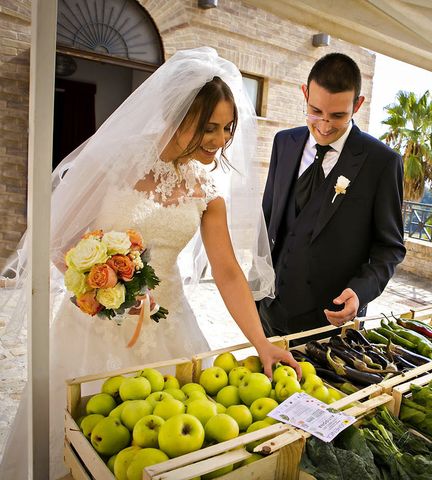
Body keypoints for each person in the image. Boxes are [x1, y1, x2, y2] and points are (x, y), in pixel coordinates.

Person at [0, 47, 299, 479]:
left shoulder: (208, 187)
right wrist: (97, 286)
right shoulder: (116, 160)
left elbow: (228, 270)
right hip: (94, 326)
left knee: (153, 452)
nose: (220, 140)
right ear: (179, 117)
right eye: (209, 127)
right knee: (76, 441)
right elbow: (59, 235)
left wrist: (261, 342)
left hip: (168, 322)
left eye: (227, 127)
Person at [259, 53, 406, 336]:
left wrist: (360, 293)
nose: (324, 125)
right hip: (268, 311)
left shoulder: (382, 162)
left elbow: (390, 247)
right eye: (315, 111)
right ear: (305, 93)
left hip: (331, 321)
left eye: (337, 115)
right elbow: (268, 220)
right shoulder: (284, 143)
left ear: (358, 105)